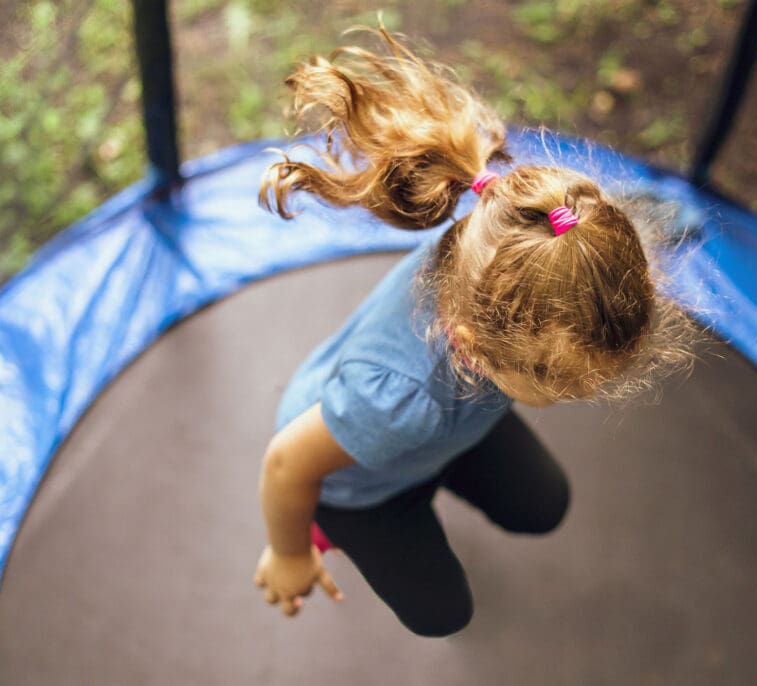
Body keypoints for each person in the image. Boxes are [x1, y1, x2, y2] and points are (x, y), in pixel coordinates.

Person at [252, 26, 694, 637]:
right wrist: (290, 551)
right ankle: (338, 525)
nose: (574, 395)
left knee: (544, 506)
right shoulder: (395, 402)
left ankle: (436, 467)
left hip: (444, 429)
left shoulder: (519, 255)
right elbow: (284, 467)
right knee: (442, 615)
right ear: (473, 348)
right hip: (356, 480)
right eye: (560, 383)